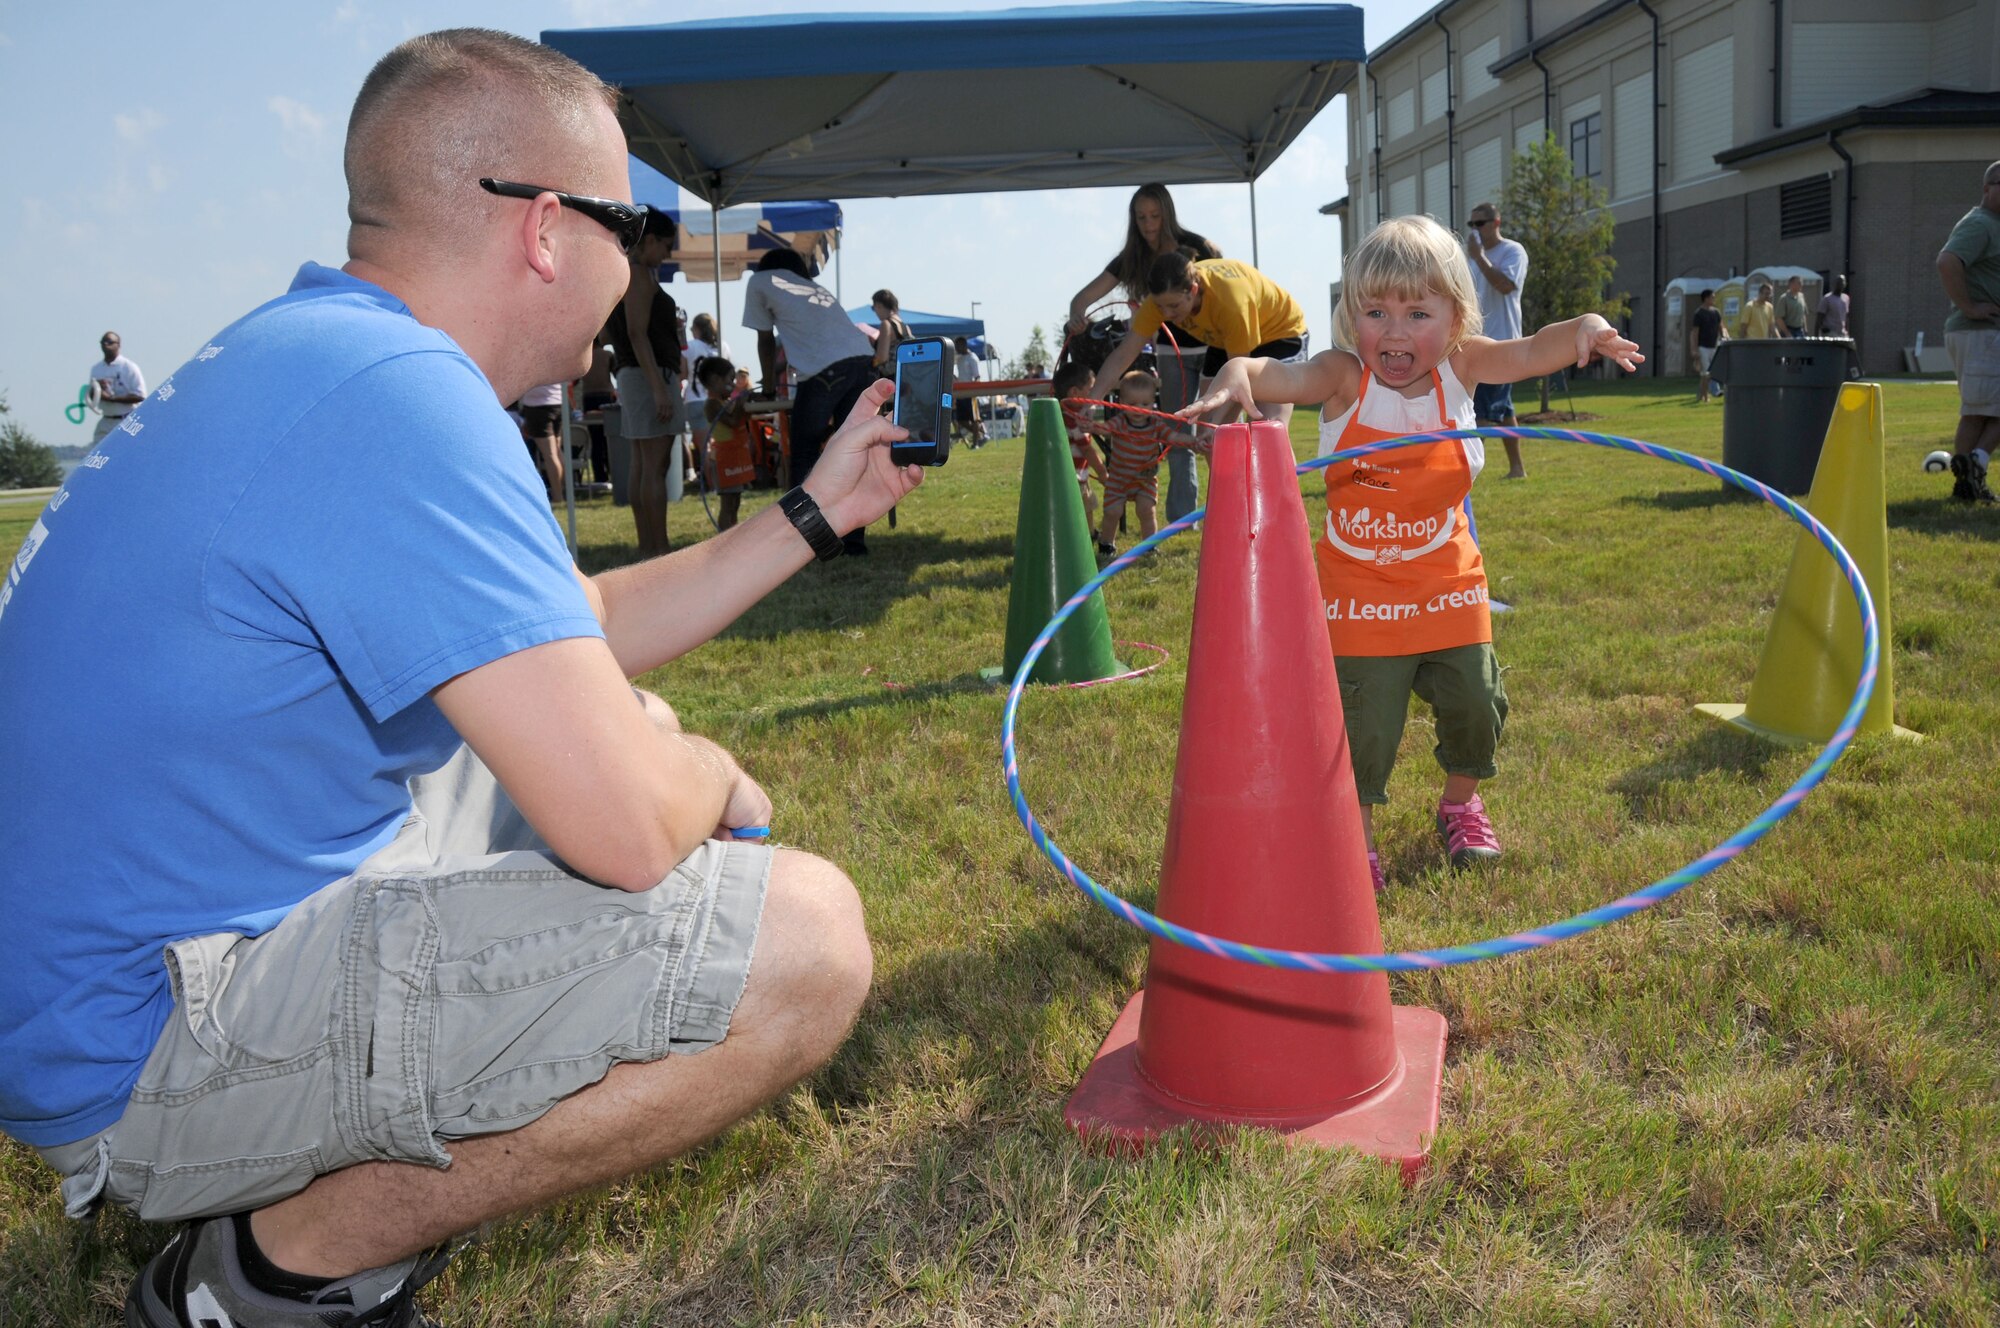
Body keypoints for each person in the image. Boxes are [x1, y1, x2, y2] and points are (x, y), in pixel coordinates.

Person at [0, 29, 921, 1327]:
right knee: (801, 945)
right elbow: (622, 824)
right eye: (631, 233)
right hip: (141, 1045)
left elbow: (563, 628)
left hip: (101, 982)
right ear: (549, 229)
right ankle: (273, 1275)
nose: (636, 269)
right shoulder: (401, 398)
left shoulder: (325, 359)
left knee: (602, 729)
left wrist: (813, 517)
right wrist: (706, 774)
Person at [1182, 215, 1641, 892]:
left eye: (1417, 312)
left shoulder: (1464, 367)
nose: (1394, 332)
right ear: (1352, 316)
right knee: (1361, 729)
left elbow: (1532, 349)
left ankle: (1460, 804)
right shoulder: (1343, 378)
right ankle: (1355, 837)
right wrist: (1235, 374)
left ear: (1456, 319)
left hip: (1448, 582)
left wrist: (1584, 331)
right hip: (1360, 589)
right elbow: (1270, 372)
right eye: (1376, 312)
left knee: (1477, 705)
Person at [1066, 183, 1221, 524]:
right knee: (1176, 434)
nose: (1149, 225)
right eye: (1141, 218)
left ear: (1168, 215)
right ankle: (1183, 520)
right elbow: (1085, 302)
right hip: (1171, 350)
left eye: (1155, 216)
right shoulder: (1132, 260)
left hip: (1213, 347)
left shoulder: (1198, 247)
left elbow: (1224, 288)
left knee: (1215, 431)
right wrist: (1077, 314)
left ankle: (1229, 509)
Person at [743, 248, 878, 553]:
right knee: (855, 449)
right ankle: (854, 541)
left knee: (804, 454)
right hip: (861, 361)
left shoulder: (760, 281)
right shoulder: (813, 287)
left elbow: (765, 339)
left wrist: (766, 387)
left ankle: (802, 539)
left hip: (823, 371)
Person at [1091, 251, 1309, 431]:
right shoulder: (1160, 301)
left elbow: (1238, 381)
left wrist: (1217, 425)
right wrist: (1092, 402)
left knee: (1267, 428)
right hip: (1226, 341)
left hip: (1280, 335)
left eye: (1174, 307)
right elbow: (1122, 356)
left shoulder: (1230, 303)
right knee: (1209, 432)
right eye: (1160, 307)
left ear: (1193, 290)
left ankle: (1278, 481)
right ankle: (1232, 483)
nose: (1166, 314)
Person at [606, 209, 685, 556]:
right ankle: (659, 547)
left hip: (633, 375)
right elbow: (638, 333)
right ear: (649, 239)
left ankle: (649, 546)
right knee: (654, 466)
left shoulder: (623, 274)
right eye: (666, 246)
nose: (667, 254)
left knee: (643, 465)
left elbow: (614, 333)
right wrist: (658, 388)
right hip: (648, 376)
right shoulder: (638, 275)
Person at [1937, 159, 2000, 505]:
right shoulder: (1980, 223)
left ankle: (1973, 472)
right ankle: (1967, 481)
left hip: (1987, 334)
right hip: (1978, 333)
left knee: (1987, 409)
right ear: (1988, 188)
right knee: (1977, 410)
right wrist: (1970, 307)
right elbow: (1947, 261)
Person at [1463, 202, 1530, 478]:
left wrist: (1479, 258)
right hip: (1477, 345)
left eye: (1481, 224)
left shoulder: (1513, 251)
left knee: (1481, 415)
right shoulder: (1470, 259)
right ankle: (1517, 469)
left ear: (1496, 223)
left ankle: (1464, 474)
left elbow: (1505, 286)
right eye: (1472, 225)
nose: (1476, 230)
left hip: (1503, 345)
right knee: (1504, 411)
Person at [1094, 367, 1171, 556]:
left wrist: (1192, 441)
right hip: (1118, 479)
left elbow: (1173, 436)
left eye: (1145, 403)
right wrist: (1092, 426)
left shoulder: (1155, 423)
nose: (1139, 408)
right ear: (1121, 402)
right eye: (1132, 403)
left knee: (1146, 510)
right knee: (1113, 512)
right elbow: (1105, 429)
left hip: (1145, 480)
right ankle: (1106, 545)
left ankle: (1149, 546)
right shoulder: (1120, 421)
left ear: (1153, 403)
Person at [695, 355, 755, 531]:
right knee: (727, 502)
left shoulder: (724, 401)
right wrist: (741, 402)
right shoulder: (711, 404)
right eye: (730, 379)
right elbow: (733, 421)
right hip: (724, 459)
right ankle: (724, 537)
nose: (734, 384)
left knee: (735, 500)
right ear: (715, 380)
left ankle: (732, 534)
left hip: (735, 455)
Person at [1053, 359, 1107, 532]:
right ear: (1075, 393)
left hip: (1064, 475)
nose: (1094, 396)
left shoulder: (1061, 415)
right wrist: (1103, 472)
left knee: (1071, 508)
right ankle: (1087, 535)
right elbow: (1087, 449)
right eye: (1090, 390)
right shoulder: (1074, 420)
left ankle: (1079, 533)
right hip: (1075, 477)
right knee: (1086, 506)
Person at [683, 312, 732, 491]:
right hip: (717, 401)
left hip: (695, 400)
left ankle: (713, 486)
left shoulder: (690, 347)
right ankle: (726, 479)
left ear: (696, 329)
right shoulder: (723, 347)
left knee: (705, 449)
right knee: (719, 444)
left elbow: (682, 374)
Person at [88, 331, 147, 445]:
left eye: (110, 342)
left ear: (118, 344)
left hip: (126, 418)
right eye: (103, 342)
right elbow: (91, 395)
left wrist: (112, 398)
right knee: (98, 453)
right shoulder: (96, 369)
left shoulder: (128, 367)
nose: (106, 345)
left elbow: (140, 396)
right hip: (106, 418)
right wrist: (97, 390)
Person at [517, 380, 567, 499]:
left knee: (550, 455)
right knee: (557, 452)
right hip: (558, 402)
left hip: (537, 406)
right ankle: (563, 492)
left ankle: (558, 496)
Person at [1691, 289, 1728, 403]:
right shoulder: (1699, 313)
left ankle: (1702, 395)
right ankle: (1705, 397)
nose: (1714, 299)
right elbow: (1695, 332)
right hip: (1703, 347)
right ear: (1706, 298)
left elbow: (1721, 327)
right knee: (1705, 373)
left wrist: (1725, 338)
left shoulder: (1716, 312)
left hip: (1714, 345)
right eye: (1712, 297)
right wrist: (1695, 349)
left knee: (1712, 372)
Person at [869, 288, 912, 378]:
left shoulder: (886, 324)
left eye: (873, 308)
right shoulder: (906, 327)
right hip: (906, 377)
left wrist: (870, 362)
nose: (875, 312)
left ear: (879, 305)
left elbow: (882, 358)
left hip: (890, 379)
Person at [953, 336, 986, 448]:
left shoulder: (972, 358)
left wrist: (975, 390)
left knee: (974, 419)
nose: (956, 348)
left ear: (964, 345)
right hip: (961, 392)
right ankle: (981, 434)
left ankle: (975, 443)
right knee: (960, 420)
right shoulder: (960, 359)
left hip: (970, 392)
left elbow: (977, 376)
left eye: (958, 346)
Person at [1816, 275, 1851, 339]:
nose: (1840, 284)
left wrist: (1847, 332)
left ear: (1845, 284)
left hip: (1842, 333)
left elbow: (1846, 316)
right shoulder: (1827, 298)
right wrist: (1816, 337)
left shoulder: (1846, 298)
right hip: (1830, 333)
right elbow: (1819, 318)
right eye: (1838, 282)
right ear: (1834, 284)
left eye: (1842, 282)